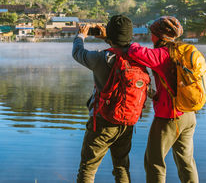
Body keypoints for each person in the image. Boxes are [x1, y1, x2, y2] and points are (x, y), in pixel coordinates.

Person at [72, 15, 148, 183]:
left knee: (88, 168)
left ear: (111, 36)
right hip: (127, 121)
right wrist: (109, 38)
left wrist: (80, 36)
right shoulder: (139, 57)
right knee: (121, 166)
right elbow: (122, 48)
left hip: (102, 121)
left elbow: (77, 53)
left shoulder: (101, 58)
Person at [127, 16, 198, 183]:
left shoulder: (161, 55)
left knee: (154, 161)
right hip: (189, 114)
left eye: (153, 34)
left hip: (169, 117)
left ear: (159, 36)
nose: (150, 37)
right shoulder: (183, 52)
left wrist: (128, 41)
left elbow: (134, 52)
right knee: (186, 162)